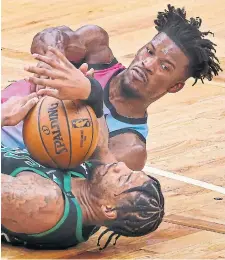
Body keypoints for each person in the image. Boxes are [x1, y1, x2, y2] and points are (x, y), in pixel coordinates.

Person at [1, 5, 222, 170]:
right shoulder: (95, 49)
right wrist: (53, 60)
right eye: (150, 51)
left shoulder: (130, 147)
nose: (147, 64)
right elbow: (47, 37)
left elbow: (80, 189)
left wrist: (88, 97)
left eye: (164, 66)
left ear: (175, 87)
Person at [1, 90, 164, 250]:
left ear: (108, 209)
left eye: (123, 178)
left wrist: (3, 116)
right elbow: (102, 146)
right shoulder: (95, 190)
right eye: (129, 171)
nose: (119, 166)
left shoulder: (45, 203)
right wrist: (85, 89)